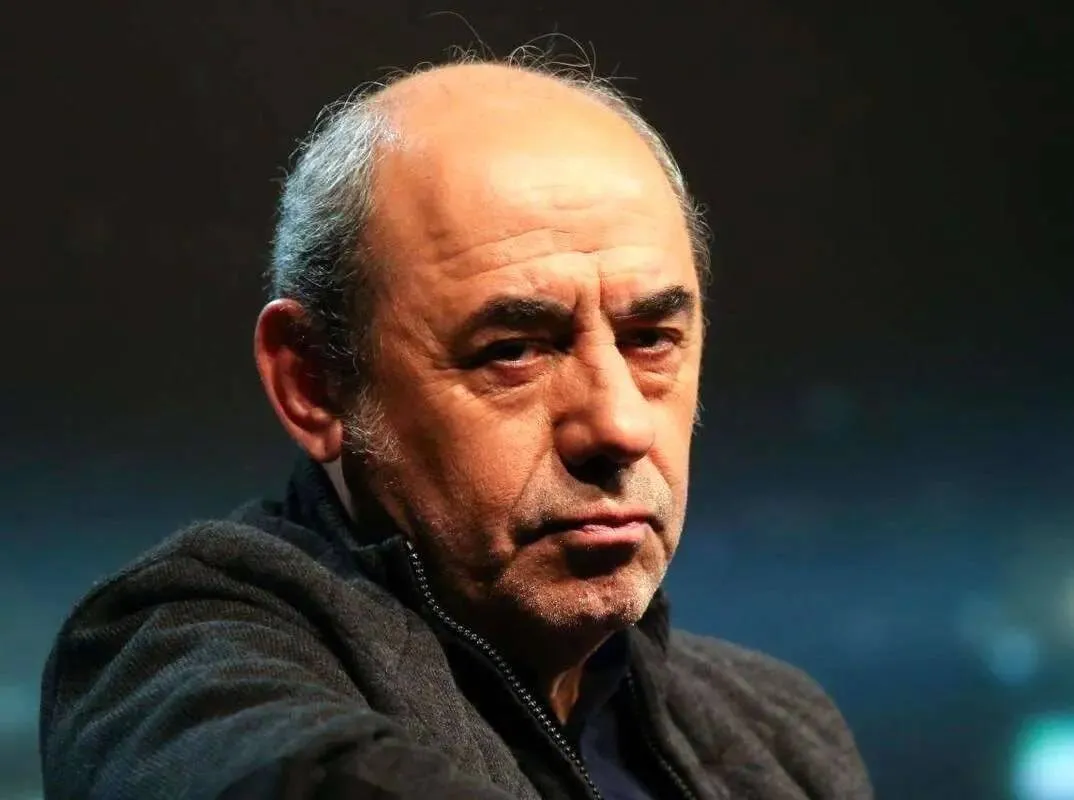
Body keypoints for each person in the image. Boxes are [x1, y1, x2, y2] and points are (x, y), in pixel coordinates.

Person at [39, 50, 873, 800]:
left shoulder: (778, 734)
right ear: (314, 383)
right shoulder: (171, 658)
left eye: (651, 339)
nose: (620, 426)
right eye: (513, 351)